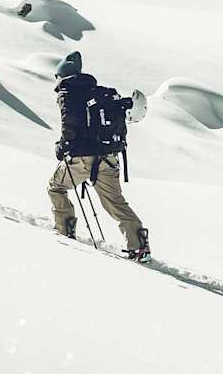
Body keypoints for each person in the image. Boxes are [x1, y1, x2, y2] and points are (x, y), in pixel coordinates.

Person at [47, 51, 151, 262]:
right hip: (109, 157)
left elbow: (70, 122)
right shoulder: (97, 92)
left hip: (82, 159)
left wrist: (64, 145)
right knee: (116, 203)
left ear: (61, 76)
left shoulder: (68, 92)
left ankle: (65, 230)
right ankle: (139, 246)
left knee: (56, 187)